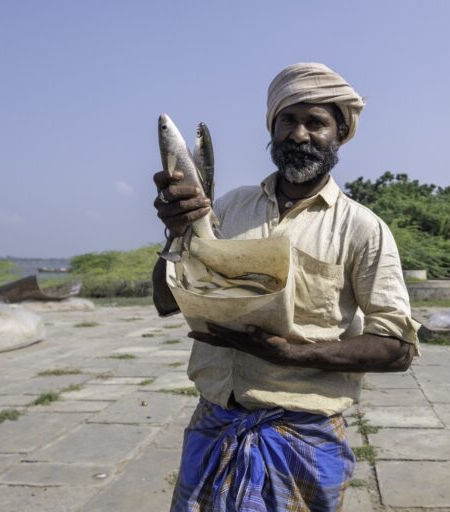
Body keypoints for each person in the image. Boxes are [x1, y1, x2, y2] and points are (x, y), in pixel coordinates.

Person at [152, 62, 421, 512]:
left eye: (316, 123)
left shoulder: (362, 228)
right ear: (273, 129)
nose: (299, 135)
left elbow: (397, 347)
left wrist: (289, 354)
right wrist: (176, 233)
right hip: (215, 426)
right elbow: (165, 302)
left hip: (305, 437)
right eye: (288, 121)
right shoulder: (227, 208)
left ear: (339, 134)